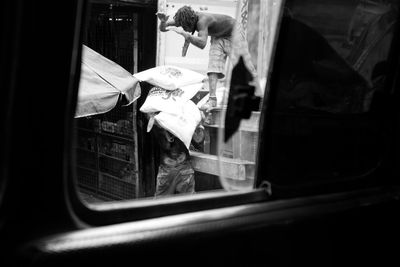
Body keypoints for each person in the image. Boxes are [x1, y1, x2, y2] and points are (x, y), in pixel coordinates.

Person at [156, 5, 257, 112]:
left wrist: (187, 36)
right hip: (219, 36)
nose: (184, 28)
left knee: (244, 67)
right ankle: (212, 99)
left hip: (234, 32)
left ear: (191, 21)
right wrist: (163, 21)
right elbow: (163, 29)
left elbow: (202, 44)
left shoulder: (202, 21)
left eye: (186, 27)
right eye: (182, 26)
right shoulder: (183, 19)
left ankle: (257, 95)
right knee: (213, 67)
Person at [150, 120, 195, 197]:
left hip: (168, 166)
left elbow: (166, 145)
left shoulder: (158, 121)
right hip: (184, 166)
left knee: (162, 204)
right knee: (187, 203)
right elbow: (197, 140)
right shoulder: (184, 119)